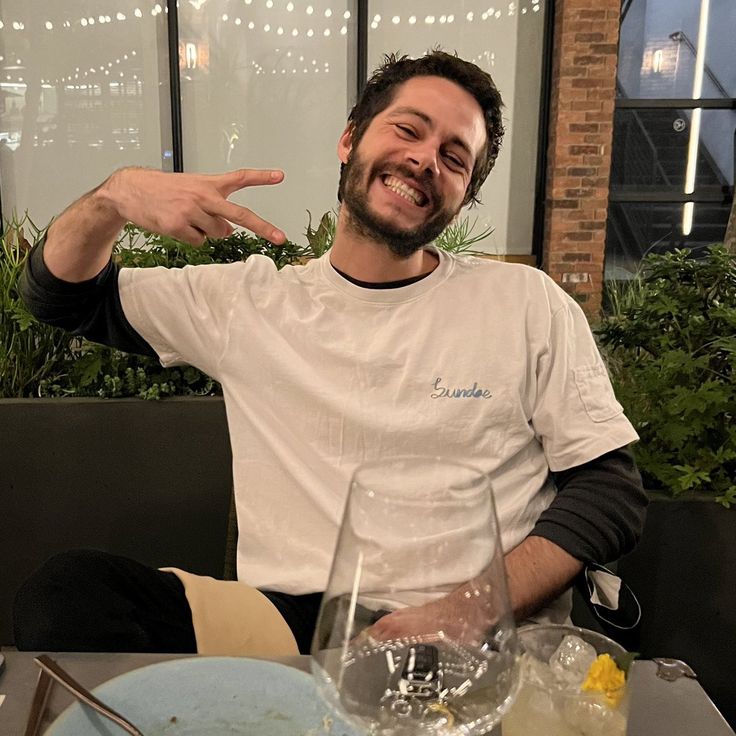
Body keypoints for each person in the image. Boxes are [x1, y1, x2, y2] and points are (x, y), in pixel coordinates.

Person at [14, 50, 646, 656]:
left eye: (455, 158)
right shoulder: (249, 304)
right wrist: (114, 199)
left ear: (463, 196)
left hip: (478, 629)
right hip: (292, 625)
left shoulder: (523, 303)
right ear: (350, 141)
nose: (425, 159)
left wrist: (464, 613)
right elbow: (59, 296)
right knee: (67, 595)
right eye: (408, 129)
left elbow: (608, 492)